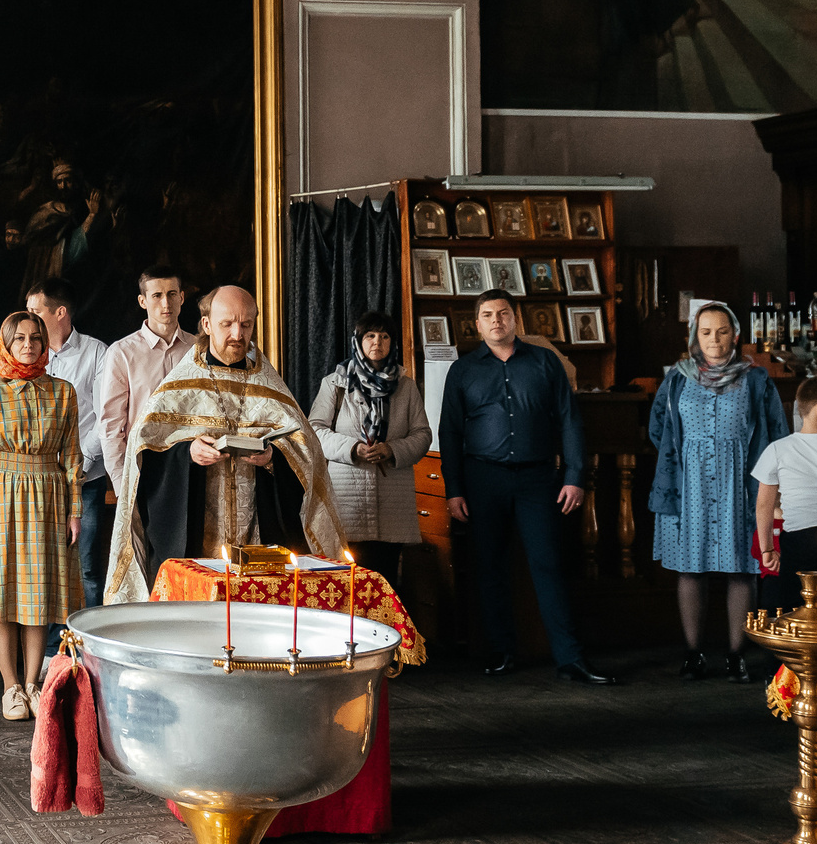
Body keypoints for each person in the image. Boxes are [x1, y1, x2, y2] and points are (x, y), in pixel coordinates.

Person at [109, 285, 346, 602]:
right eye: (227, 323)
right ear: (206, 325)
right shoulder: (178, 387)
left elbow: (306, 454)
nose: (238, 333)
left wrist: (274, 456)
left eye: (246, 324)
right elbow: (145, 454)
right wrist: (187, 452)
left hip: (259, 533)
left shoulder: (270, 385)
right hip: (197, 537)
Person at [438, 290, 610, 683]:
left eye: (503, 313)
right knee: (490, 568)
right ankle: (500, 652)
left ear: (515, 319)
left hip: (537, 479)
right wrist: (454, 489)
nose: (496, 320)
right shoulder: (463, 371)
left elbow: (569, 421)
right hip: (483, 479)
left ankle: (570, 658)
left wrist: (574, 476)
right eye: (487, 315)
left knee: (549, 565)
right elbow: (450, 433)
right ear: (477, 324)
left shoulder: (545, 362)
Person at [648, 299, 789, 682]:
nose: (714, 339)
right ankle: (693, 653)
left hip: (740, 484)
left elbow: (777, 433)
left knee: (741, 570)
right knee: (690, 570)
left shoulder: (756, 379)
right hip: (686, 485)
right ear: (695, 335)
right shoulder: (676, 378)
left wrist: (769, 490)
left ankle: (735, 655)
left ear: (735, 335)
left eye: (722, 331)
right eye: (706, 332)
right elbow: (658, 425)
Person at [0, 310, 83, 719]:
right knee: (2, 597)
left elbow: (72, 456)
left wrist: (75, 510)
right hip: (1, 496)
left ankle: (33, 685)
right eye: (20, 339)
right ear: (7, 344)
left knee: (38, 597)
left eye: (36, 338)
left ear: (44, 343)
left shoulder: (63, 392)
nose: (29, 345)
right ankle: (10, 687)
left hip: (49, 496)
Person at [306, 311, 432, 581]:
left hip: (393, 505)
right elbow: (313, 431)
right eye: (370, 336)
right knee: (348, 585)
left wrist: (392, 450)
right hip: (347, 504)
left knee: (387, 583)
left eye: (385, 336)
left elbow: (422, 434)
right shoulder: (335, 383)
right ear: (358, 341)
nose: (378, 342)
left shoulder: (406, 387)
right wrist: (353, 448)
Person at [751, 376, 817, 671]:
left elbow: (764, 505)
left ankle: (790, 683)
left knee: (794, 617)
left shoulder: (778, 449)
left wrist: (769, 549)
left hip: (796, 541)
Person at [28, 278, 110, 599]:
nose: (28, 317)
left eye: (35, 311)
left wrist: (78, 467)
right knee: (42, 566)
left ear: (60, 312)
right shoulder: (27, 353)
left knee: (85, 566)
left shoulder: (96, 353)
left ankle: (86, 647)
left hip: (86, 479)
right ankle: (49, 648)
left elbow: (106, 418)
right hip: (39, 479)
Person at [100, 266, 194, 500]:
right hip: (143, 469)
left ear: (181, 297)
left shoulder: (199, 349)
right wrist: (122, 483)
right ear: (143, 301)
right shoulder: (121, 353)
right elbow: (111, 425)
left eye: (172, 294)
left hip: (193, 465)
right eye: (157, 295)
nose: (166, 304)